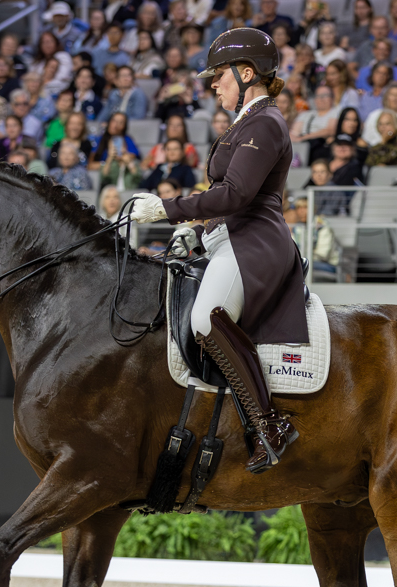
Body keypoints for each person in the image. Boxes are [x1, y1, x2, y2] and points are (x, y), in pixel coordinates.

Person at [127, 27, 305, 472]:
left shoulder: (264, 123)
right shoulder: (246, 122)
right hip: (230, 236)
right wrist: (199, 232)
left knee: (207, 318)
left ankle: (269, 424)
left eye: (219, 76)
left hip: (255, 242)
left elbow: (236, 194)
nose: (213, 86)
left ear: (246, 73)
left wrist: (168, 209)